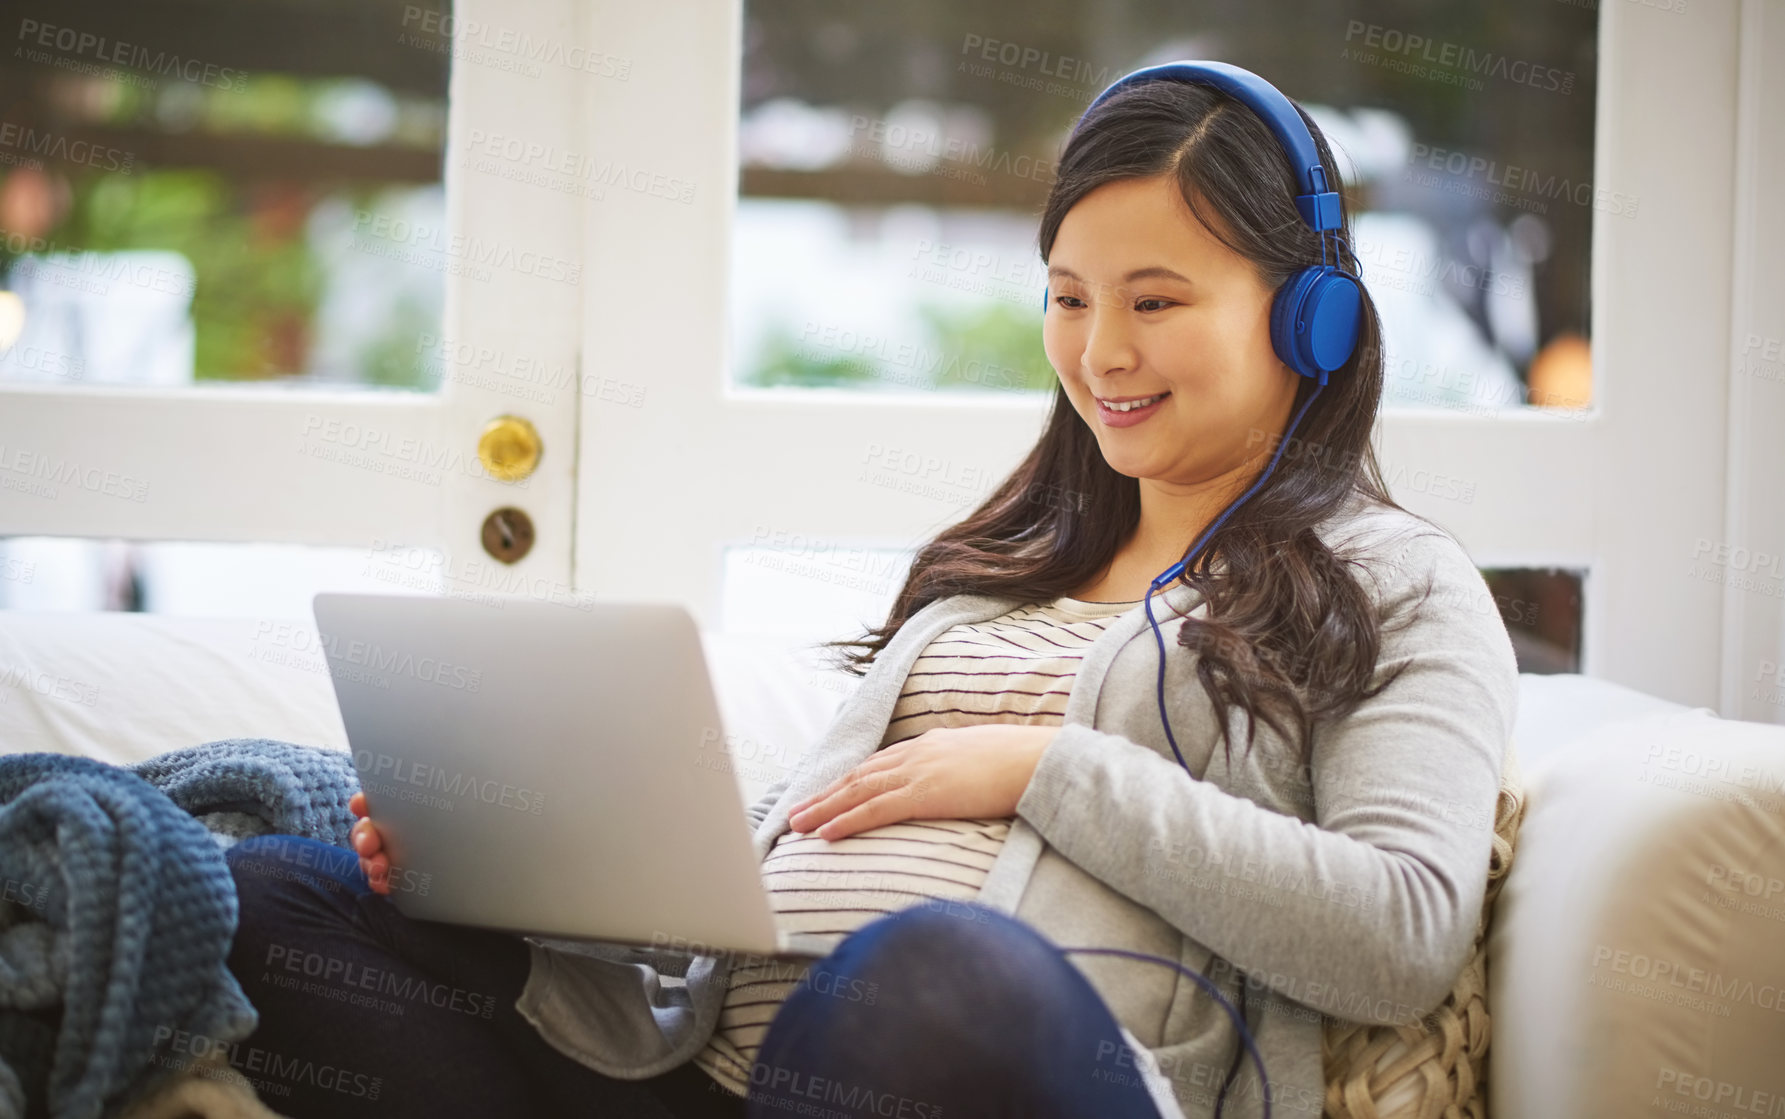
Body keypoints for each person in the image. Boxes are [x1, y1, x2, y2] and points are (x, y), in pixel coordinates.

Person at [223, 62, 1518, 1119]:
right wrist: (514, 861)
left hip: (978, 1054)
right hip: (694, 1063)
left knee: (934, 977)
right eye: (1068, 299)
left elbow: (1397, 936)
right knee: (272, 894)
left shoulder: (1398, 586)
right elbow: (813, 838)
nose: (1100, 351)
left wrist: (1041, 767)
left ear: (1312, 322)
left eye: (1155, 299)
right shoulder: (1007, 560)